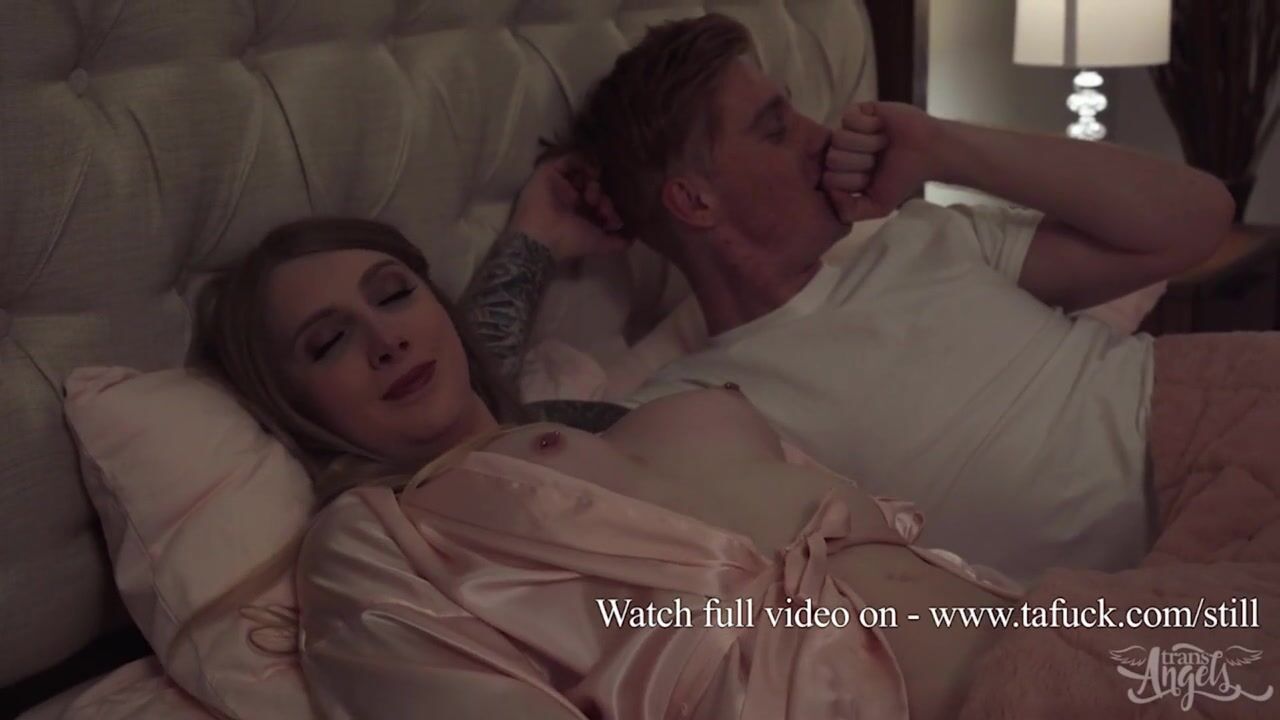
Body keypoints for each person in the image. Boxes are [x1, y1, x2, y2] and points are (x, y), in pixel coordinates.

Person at [197, 197, 1025, 720]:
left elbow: (495, 389)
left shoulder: (591, 423)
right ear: (292, 404)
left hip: (1034, 621)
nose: (387, 339)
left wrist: (535, 235)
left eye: (395, 294)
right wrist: (530, 241)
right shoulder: (371, 535)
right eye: (329, 343)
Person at [479, 13, 1235, 583]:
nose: (821, 136)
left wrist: (941, 146)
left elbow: (1199, 220)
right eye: (777, 129)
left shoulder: (920, 238)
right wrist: (531, 243)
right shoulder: (695, 411)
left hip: (1213, 417)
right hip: (1175, 567)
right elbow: (470, 451)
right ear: (694, 201)